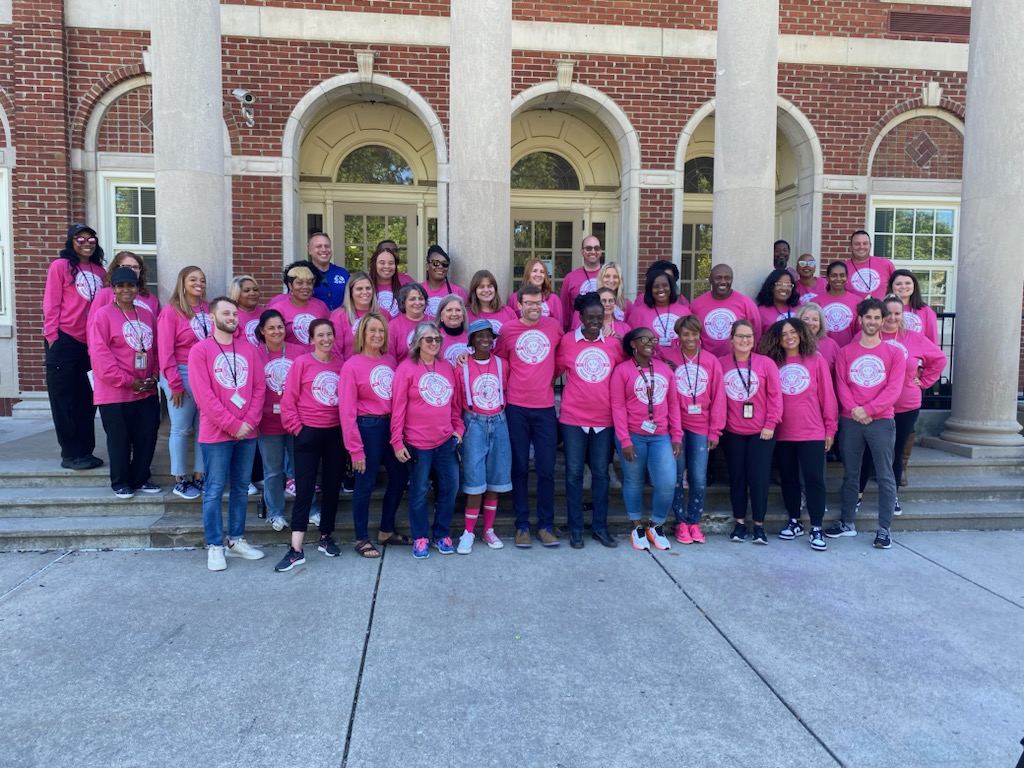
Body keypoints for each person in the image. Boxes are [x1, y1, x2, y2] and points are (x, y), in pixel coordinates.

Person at [188, 297, 267, 571]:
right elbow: (204, 397)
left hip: (247, 432)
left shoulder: (249, 349)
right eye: (226, 313)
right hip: (217, 434)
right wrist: (233, 424)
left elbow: (259, 388)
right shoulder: (200, 351)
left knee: (241, 489)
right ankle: (214, 545)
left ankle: (236, 540)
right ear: (212, 317)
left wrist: (250, 421)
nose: (232, 317)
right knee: (213, 490)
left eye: (234, 313)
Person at [825, 298, 907, 550]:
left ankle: (884, 529)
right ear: (859, 320)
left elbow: (894, 389)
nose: (872, 322)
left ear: (883, 321)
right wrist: (855, 411)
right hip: (851, 421)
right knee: (851, 473)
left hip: (881, 421)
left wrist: (869, 410)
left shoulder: (894, 352)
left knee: (884, 474)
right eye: (867, 317)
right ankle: (847, 522)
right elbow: (841, 385)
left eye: (876, 318)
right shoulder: (846, 352)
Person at [855, 296, 946, 510]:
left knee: (895, 452)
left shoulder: (913, 337)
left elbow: (940, 359)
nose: (892, 317)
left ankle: (891, 496)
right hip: (874, 406)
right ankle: (857, 495)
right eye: (888, 313)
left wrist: (924, 381)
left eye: (898, 313)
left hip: (905, 405)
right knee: (868, 450)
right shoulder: (866, 336)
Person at [495, 283, 565, 547]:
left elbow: (561, 358)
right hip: (516, 408)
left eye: (539, 303)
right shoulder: (508, 330)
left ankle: (546, 525)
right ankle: (522, 525)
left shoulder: (554, 327)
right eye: (529, 303)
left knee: (546, 469)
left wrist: (548, 376)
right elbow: (500, 362)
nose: (535, 307)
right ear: (519, 305)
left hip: (545, 408)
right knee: (520, 467)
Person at [759, 318, 838, 552]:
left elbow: (828, 397)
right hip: (782, 433)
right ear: (778, 339)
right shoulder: (773, 362)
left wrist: (830, 428)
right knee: (789, 479)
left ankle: (816, 527)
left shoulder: (816, 360)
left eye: (793, 332)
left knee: (814, 480)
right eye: (783, 334)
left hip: (812, 431)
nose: (789, 337)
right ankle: (794, 520)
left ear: (802, 334)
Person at [556, 292, 626, 548]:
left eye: (600, 316)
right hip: (573, 418)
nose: (596, 321)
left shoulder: (613, 345)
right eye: (590, 317)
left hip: (604, 419)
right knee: (573, 473)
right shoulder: (567, 342)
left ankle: (599, 526)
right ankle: (576, 528)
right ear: (581, 317)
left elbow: (626, 373)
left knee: (601, 473)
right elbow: (553, 371)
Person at [275, 319, 345, 571]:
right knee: (304, 489)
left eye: (329, 334)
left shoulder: (341, 365)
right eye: (320, 335)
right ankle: (296, 548)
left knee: (331, 486)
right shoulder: (302, 363)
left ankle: (326, 537)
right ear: (311, 339)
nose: (325, 339)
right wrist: (298, 430)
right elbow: (288, 400)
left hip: (335, 434)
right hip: (307, 434)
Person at [391, 323, 464, 559]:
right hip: (417, 443)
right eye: (428, 339)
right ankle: (420, 536)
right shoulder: (406, 368)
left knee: (451, 487)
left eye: (437, 339)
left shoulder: (446, 367)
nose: (434, 343)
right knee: (420, 491)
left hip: (444, 441)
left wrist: (458, 430)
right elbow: (398, 408)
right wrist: (397, 441)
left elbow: (455, 406)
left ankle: (441, 534)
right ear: (418, 342)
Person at [87, 266, 161, 498]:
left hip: (146, 389)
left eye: (131, 285)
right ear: (113, 289)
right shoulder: (103, 315)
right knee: (120, 439)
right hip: (115, 391)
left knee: (147, 434)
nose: (126, 289)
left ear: (138, 288)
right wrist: (129, 382)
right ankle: (120, 482)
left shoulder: (146, 314)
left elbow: (156, 349)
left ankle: (140, 478)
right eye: (121, 286)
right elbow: (100, 356)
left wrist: (155, 375)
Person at [340, 313, 411, 556]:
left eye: (381, 331)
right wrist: (355, 448)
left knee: (400, 476)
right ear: (362, 334)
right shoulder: (351, 365)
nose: (377, 335)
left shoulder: (391, 361)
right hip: (367, 427)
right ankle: (361, 538)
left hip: (391, 427)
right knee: (365, 482)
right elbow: (346, 411)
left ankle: (386, 530)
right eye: (372, 331)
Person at [611, 327, 682, 551]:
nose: (651, 342)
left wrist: (676, 435)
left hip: (661, 435)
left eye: (654, 339)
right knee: (633, 481)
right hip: (633, 435)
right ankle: (637, 527)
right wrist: (624, 440)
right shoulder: (622, 371)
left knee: (667, 482)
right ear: (633, 344)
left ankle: (656, 525)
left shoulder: (664, 370)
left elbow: (673, 404)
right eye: (646, 339)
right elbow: (618, 407)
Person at [44, 223, 106, 470]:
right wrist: (53, 337)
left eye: (91, 239)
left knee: (87, 400)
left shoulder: (100, 271)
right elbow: (51, 303)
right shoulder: (60, 267)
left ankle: (85, 451)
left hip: (91, 344)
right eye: (80, 239)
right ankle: (70, 453)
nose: (86, 243)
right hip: (64, 340)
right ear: (71, 242)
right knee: (64, 399)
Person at [718, 319, 783, 544]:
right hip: (732, 431)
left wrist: (770, 424)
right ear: (731, 339)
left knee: (758, 478)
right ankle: (739, 524)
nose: (744, 340)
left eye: (748, 336)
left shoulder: (766, 364)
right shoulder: (721, 364)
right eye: (739, 336)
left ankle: (759, 526)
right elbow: (716, 398)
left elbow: (776, 396)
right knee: (737, 478)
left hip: (761, 433)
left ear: (754, 340)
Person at [455, 319, 513, 554]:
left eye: (489, 335)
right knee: (474, 479)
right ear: (471, 341)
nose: (485, 340)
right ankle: (468, 532)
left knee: (495, 479)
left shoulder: (503, 364)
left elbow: (507, 390)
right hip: (474, 422)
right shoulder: (461, 366)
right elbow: (457, 400)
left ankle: (488, 529)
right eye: (479, 336)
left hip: (499, 421)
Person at [671, 314, 726, 545]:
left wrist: (715, 430)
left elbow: (719, 397)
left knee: (698, 477)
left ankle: (694, 521)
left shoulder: (711, 361)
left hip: (701, 427)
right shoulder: (667, 357)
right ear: (679, 336)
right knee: (675, 476)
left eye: (694, 333)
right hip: (675, 427)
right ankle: (680, 522)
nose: (690, 338)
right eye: (685, 334)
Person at [157, 266, 210, 499]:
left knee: (204, 428)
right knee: (180, 427)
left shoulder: (209, 310)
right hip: (181, 372)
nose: (199, 283)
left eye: (202, 280)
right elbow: (165, 352)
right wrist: (175, 384)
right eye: (193, 279)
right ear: (183, 282)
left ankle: (200, 476)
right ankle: (181, 479)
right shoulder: (171, 312)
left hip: (206, 375)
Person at [253, 309, 306, 532]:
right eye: (271, 328)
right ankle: (275, 513)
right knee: (273, 470)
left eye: (280, 327)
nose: (277, 331)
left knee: (302, 468)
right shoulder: (254, 354)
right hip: (267, 422)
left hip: (296, 421)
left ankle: (309, 509)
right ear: (262, 331)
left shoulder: (298, 352)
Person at [688, 263, 761, 357]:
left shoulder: (746, 303)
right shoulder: (696, 304)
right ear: (710, 280)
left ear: (732, 280)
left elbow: (757, 332)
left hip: (737, 361)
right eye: (718, 278)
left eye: (727, 278)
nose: (723, 281)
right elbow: (690, 332)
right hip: (705, 361)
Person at [627, 268, 691, 370]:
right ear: (649, 290)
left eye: (665, 285)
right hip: (648, 368)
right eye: (656, 287)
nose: (661, 289)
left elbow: (692, 342)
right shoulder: (638, 313)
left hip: (681, 367)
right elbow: (631, 345)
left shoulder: (684, 311)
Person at [267, 261, 331, 351]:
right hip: (289, 361)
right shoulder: (278, 309)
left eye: (309, 283)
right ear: (290, 286)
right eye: (299, 283)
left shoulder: (321, 306)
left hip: (317, 360)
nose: (305, 287)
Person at [330, 271, 380, 360]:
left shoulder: (383, 314)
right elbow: (335, 353)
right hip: (349, 371)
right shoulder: (338, 317)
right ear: (351, 292)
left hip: (377, 370)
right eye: (359, 289)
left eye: (368, 288)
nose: (365, 292)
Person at [559, 235, 605, 329]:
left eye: (596, 248)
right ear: (582, 252)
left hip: (605, 332)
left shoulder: (609, 275)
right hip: (577, 332)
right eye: (588, 248)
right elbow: (564, 311)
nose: (593, 251)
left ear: (600, 251)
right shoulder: (570, 278)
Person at [94, 251, 159, 316]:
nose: (132, 270)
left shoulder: (151, 299)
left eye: (136, 267)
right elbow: (93, 323)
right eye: (127, 266)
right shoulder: (105, 294)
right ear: (116, 268)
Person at [887, 269, 939, 344]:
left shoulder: (925, 310)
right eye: (898, 284)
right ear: (891, 286)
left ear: (914, 285)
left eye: (908, 283)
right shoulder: (881, 308)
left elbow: (932, 340)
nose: (904, 287)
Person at [509, 258, 564, 327]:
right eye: (534, 271)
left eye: (542, 272)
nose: (538, 274)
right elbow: (510, 325)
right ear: (528, 274)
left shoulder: (554, 299)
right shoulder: (514, 298)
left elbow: (559, 326)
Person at [818, 261, 860, 347]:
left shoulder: (858, 301)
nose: (838, 279)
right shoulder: (815, 302)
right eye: (834, 275)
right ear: (827, 278)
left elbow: (860, 332)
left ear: (847, 277)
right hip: (823, 352)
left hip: (849, 352)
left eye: (842, 275)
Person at [845, 229, 894, 300]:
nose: (861, 247)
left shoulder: (885, 264)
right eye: (857, 244)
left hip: (882, 309)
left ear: (870, 246)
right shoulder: (843, 268)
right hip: (854, 310)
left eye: (865, 243)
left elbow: (898, 286)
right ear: (850, 247)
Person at [306, 232, 349, 311]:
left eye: (327, 246)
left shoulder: (343, 273)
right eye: (318, 246)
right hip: (313, 320)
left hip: (340, 320)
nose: (324, 250)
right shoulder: (303, 274)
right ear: (309, 250)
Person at [466, 269, 518, 335]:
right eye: (481, 287)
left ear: (495, 289)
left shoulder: (508, 312)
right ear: (474, 290)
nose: (486, 290)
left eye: (489, 286)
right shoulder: (466, 315)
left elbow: (515, 338)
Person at [795, 302, 840, 375]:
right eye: (806, 319)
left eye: (815, 319)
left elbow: (839, 373)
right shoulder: (791, 344)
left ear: (821, 323)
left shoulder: (830, 344)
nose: (810, 323)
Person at [369, 245, 414, 318]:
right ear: (374, 265)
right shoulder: (366, 288)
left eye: (391, 263)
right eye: (382, 263)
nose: (387, 266)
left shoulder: (405, 286)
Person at [422, 245, 467, 318]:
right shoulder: (417, 290)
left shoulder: (457, 292)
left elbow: (464, 319)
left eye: (444, 264)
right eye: (435, 263)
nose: (440, 267)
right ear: (427, 266)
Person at [389, 282, 429, 361]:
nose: (417, 302)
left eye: (421, 298)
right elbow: (390, 358)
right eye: (412, 299)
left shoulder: (435, 322)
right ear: (403, 302)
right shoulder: (393, 326)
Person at [754, 268, 800, 332]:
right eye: (779, 284)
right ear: (771, 286)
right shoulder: (760, 312)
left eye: (788, 285)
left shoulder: (801, 306)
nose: (784, 288)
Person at [228, 275, 265, 348]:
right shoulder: (231, 316)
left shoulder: (266, 313)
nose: (252, 293)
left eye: (255, 290)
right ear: (237, 294)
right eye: (246, 290)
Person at [435, 293, 472, 365]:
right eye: (449, 310)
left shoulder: (473, 336)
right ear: (441, 316)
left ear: (463, 315)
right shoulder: (433, 338)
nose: (454, 314)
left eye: (458, 310)